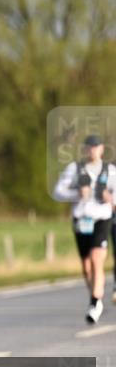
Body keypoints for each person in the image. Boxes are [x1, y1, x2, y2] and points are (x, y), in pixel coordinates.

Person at [53, 134, 114, 324]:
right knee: (87, 267)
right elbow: (58, 192)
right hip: (81, 220)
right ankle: (95, 298)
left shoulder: (110, 171)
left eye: (96, 147)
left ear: (101, 149)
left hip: (101, 219)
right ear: (85, 149)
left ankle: (95, 303)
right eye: (89, 147)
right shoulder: (74, 169)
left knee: (96, 259)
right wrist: (77, 193)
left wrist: (110, 198)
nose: (92, 150)